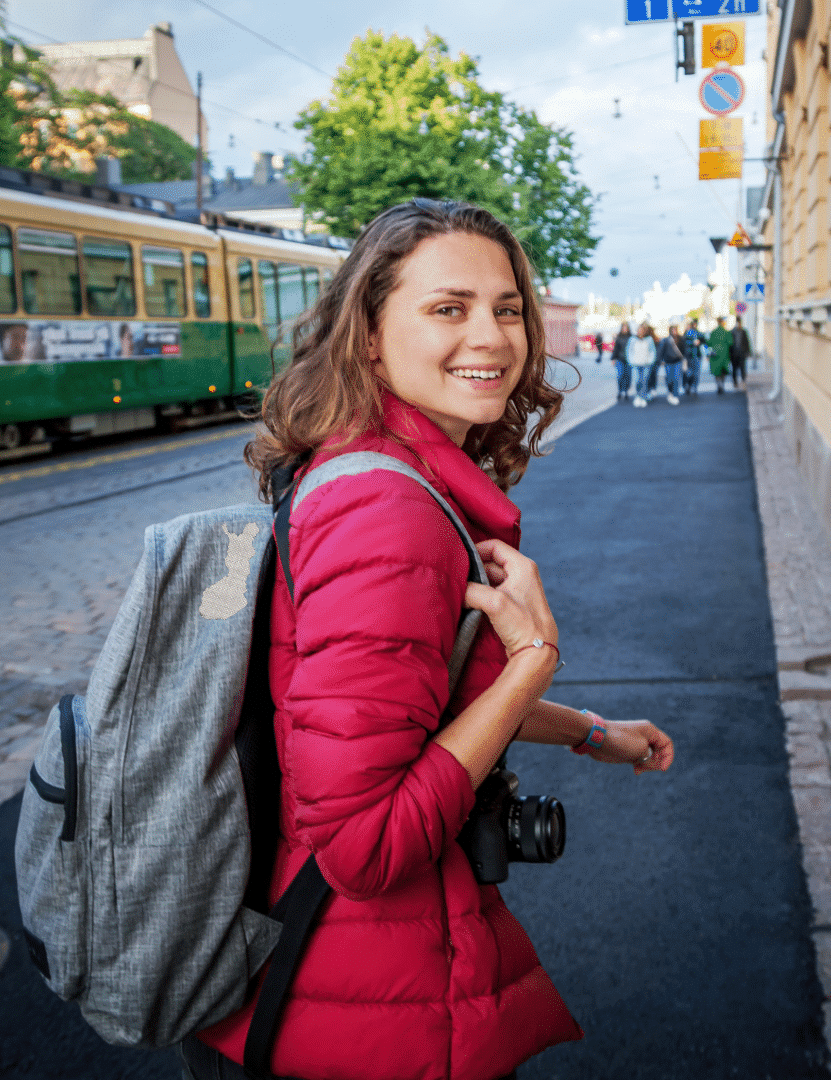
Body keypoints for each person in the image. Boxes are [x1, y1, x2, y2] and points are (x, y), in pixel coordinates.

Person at [184, 199, 674, 1080]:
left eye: (507, 308)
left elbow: (418, 703)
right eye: (448, 309)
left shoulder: (377, 469)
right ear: (369, 337)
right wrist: (532, 662)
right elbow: (363, 848)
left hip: (354, 992)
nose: (490, 335)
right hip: (357, 1017)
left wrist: (595, 734)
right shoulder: (387, 512)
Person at [626, 322, 657, 407]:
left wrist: (650, 361)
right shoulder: (632, 339)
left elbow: (652, 351)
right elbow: (629, 351)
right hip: (635, 364)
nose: (641, 331)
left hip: (646, 364)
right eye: (639, 330)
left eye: (642, 330)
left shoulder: (649, 339)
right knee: (637, 381)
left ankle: (643, 397)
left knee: (644, 381)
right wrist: (631, 361)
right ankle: (637, 396)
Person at [658, 325, 685, 405]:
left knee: (676, 378)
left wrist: (684, 358)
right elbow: (661, 350)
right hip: (668, 362)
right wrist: (661, 360)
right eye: (673, 330)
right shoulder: (666, 340)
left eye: (675, 330)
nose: (674, 332)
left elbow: (684, 349)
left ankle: (675, 395)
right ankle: (670, 391)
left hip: (677, 361)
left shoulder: (680, 339)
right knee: (669, 379)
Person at [708, 317, 732, 394]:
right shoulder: (726, 332)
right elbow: (731, 342)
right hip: (724, 355)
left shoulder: (713, 332)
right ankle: (722, 384)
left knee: (717, 372)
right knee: (723, 371)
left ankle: (719, 385)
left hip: (715, 356)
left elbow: (709, 343)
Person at [682, 319, 705, 395]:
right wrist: (692, 342)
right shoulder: (687, 333)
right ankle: (688, 386)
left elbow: (703, 340)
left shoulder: (698, 333)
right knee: (689, 373)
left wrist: (700, 341)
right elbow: (684, 343)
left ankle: (693, 387)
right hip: (689, 356)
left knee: (696, 373)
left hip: (697, 356)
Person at [612, 321, 632, 401]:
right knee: (620, 375)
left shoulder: (631, 337)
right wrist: (613, 358)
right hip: (620, 359)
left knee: (628, 376)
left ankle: (626, 391)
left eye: (626, 327)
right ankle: (620, 391)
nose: (624, 329)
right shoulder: (619, 337)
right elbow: (615, 349)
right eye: (623, 327)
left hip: (629, 360)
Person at [730, 318, 751, 390]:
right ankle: (735, 382)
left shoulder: (744, 332)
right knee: (734, 369)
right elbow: (730, 344)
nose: (738, 324)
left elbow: (747, 342)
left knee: (743, 368)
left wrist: (748, 352)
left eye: (739, 323)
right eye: (737, 323)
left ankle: (743, 381)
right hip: (734, 354)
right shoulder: (732, 332)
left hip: (742, 353)